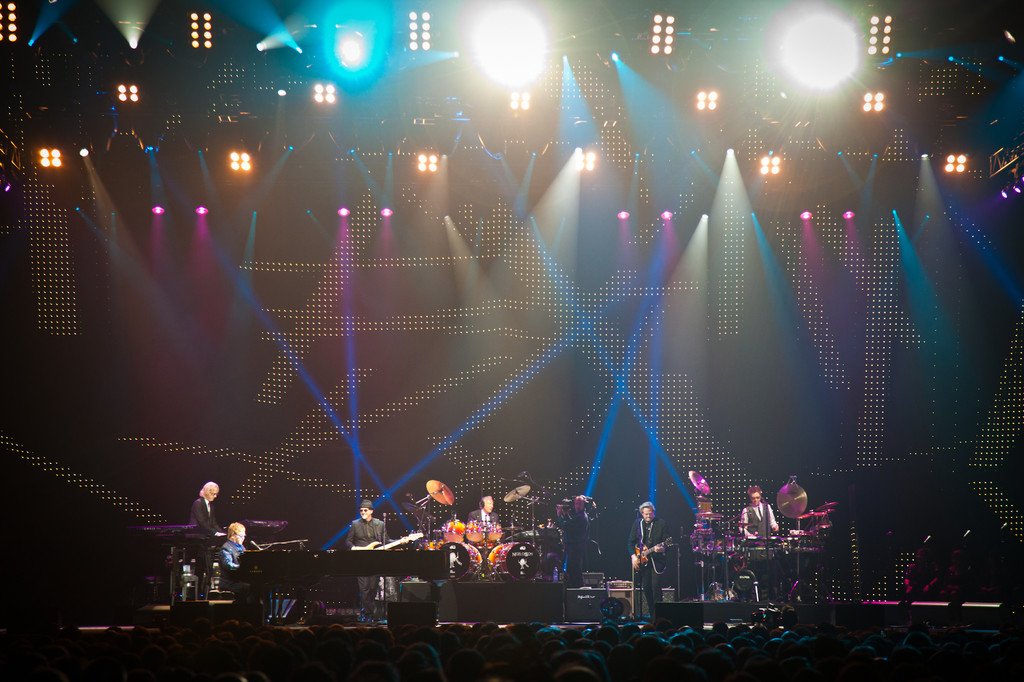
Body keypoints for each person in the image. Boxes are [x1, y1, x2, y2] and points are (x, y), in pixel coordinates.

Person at [345, 499, 387, 622]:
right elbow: (348, 541)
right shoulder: (355, 524)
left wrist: (403, 540)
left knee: (373, 587)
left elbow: (386, 540)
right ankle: (369, 614)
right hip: (361, 560)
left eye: (365, 510)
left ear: (371, 511)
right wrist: (354, 548)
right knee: (364, 589)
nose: (363, 512)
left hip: (375, 560)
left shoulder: (380, 524)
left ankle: (368, 613)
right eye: (361, 510)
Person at [627, 501, 668, 619]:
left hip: (657, 561)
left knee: (656, 587)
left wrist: (662, 548)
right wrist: (633, 556)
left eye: (650, 513)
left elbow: (667, 541)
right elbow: (630, 542)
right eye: (646, 514)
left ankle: (659, 616)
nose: (648, 516)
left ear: (653, 512)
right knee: (646, 588)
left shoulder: (661, 523)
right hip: (643, 561)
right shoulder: (637, 523)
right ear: (642, 514)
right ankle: (652, 615)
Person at [556, 496, 590, 588]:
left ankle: (576, 591)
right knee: (573, 570)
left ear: (584, 505)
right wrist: (565, 515)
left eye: (579, 504)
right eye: (576, 503)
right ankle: (575, 590)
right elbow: (570, 523)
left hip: (575, 548)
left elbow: (566, 526)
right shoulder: (579, 516)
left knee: (574, 571)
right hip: (574, 547)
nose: (577, 506)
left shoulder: (581, 517)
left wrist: (559, 515)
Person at [218, 522, 252, 603]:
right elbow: (228, 565)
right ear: (233, 535)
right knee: (252, 588)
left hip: (239, 580)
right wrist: (243, 568)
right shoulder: (226, 548)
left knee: (258, 586)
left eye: (244, 536)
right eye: (241, 536)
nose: (243, 538)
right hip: (229, 582)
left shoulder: (241, 547)